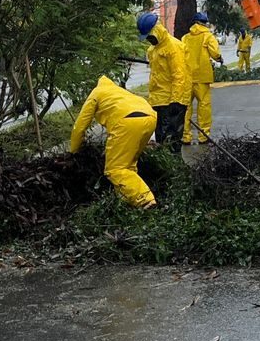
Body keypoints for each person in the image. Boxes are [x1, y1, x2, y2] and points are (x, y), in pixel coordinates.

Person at [69, 75, 158, 208]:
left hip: (127, 122)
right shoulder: (117, 91)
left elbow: (79, 127)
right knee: (128, 165)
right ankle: (125, 200)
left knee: (115, 169)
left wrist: (74, 152)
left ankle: (145, 199)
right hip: (150, 118)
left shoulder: (96, 93)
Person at [138, 12, 190, 153]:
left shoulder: (173, 47)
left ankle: (175, 164)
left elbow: (179, 75)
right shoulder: (152, 50)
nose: (149, 40)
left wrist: (176, 101)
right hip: (158, 101)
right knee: (161, 139)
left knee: (171, 141)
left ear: (157, 31)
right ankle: (166, 164)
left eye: (149, 36)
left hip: (173, 101)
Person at [181, 12, 224, 144]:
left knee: (186, 107)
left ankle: (186, 136)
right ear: (205, 23)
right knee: (204, 106)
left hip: (187, 76)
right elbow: (215, 53)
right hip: (202, 76)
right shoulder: (208, 36)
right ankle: (203, 136)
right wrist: (219, 59)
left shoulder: (185, 38)